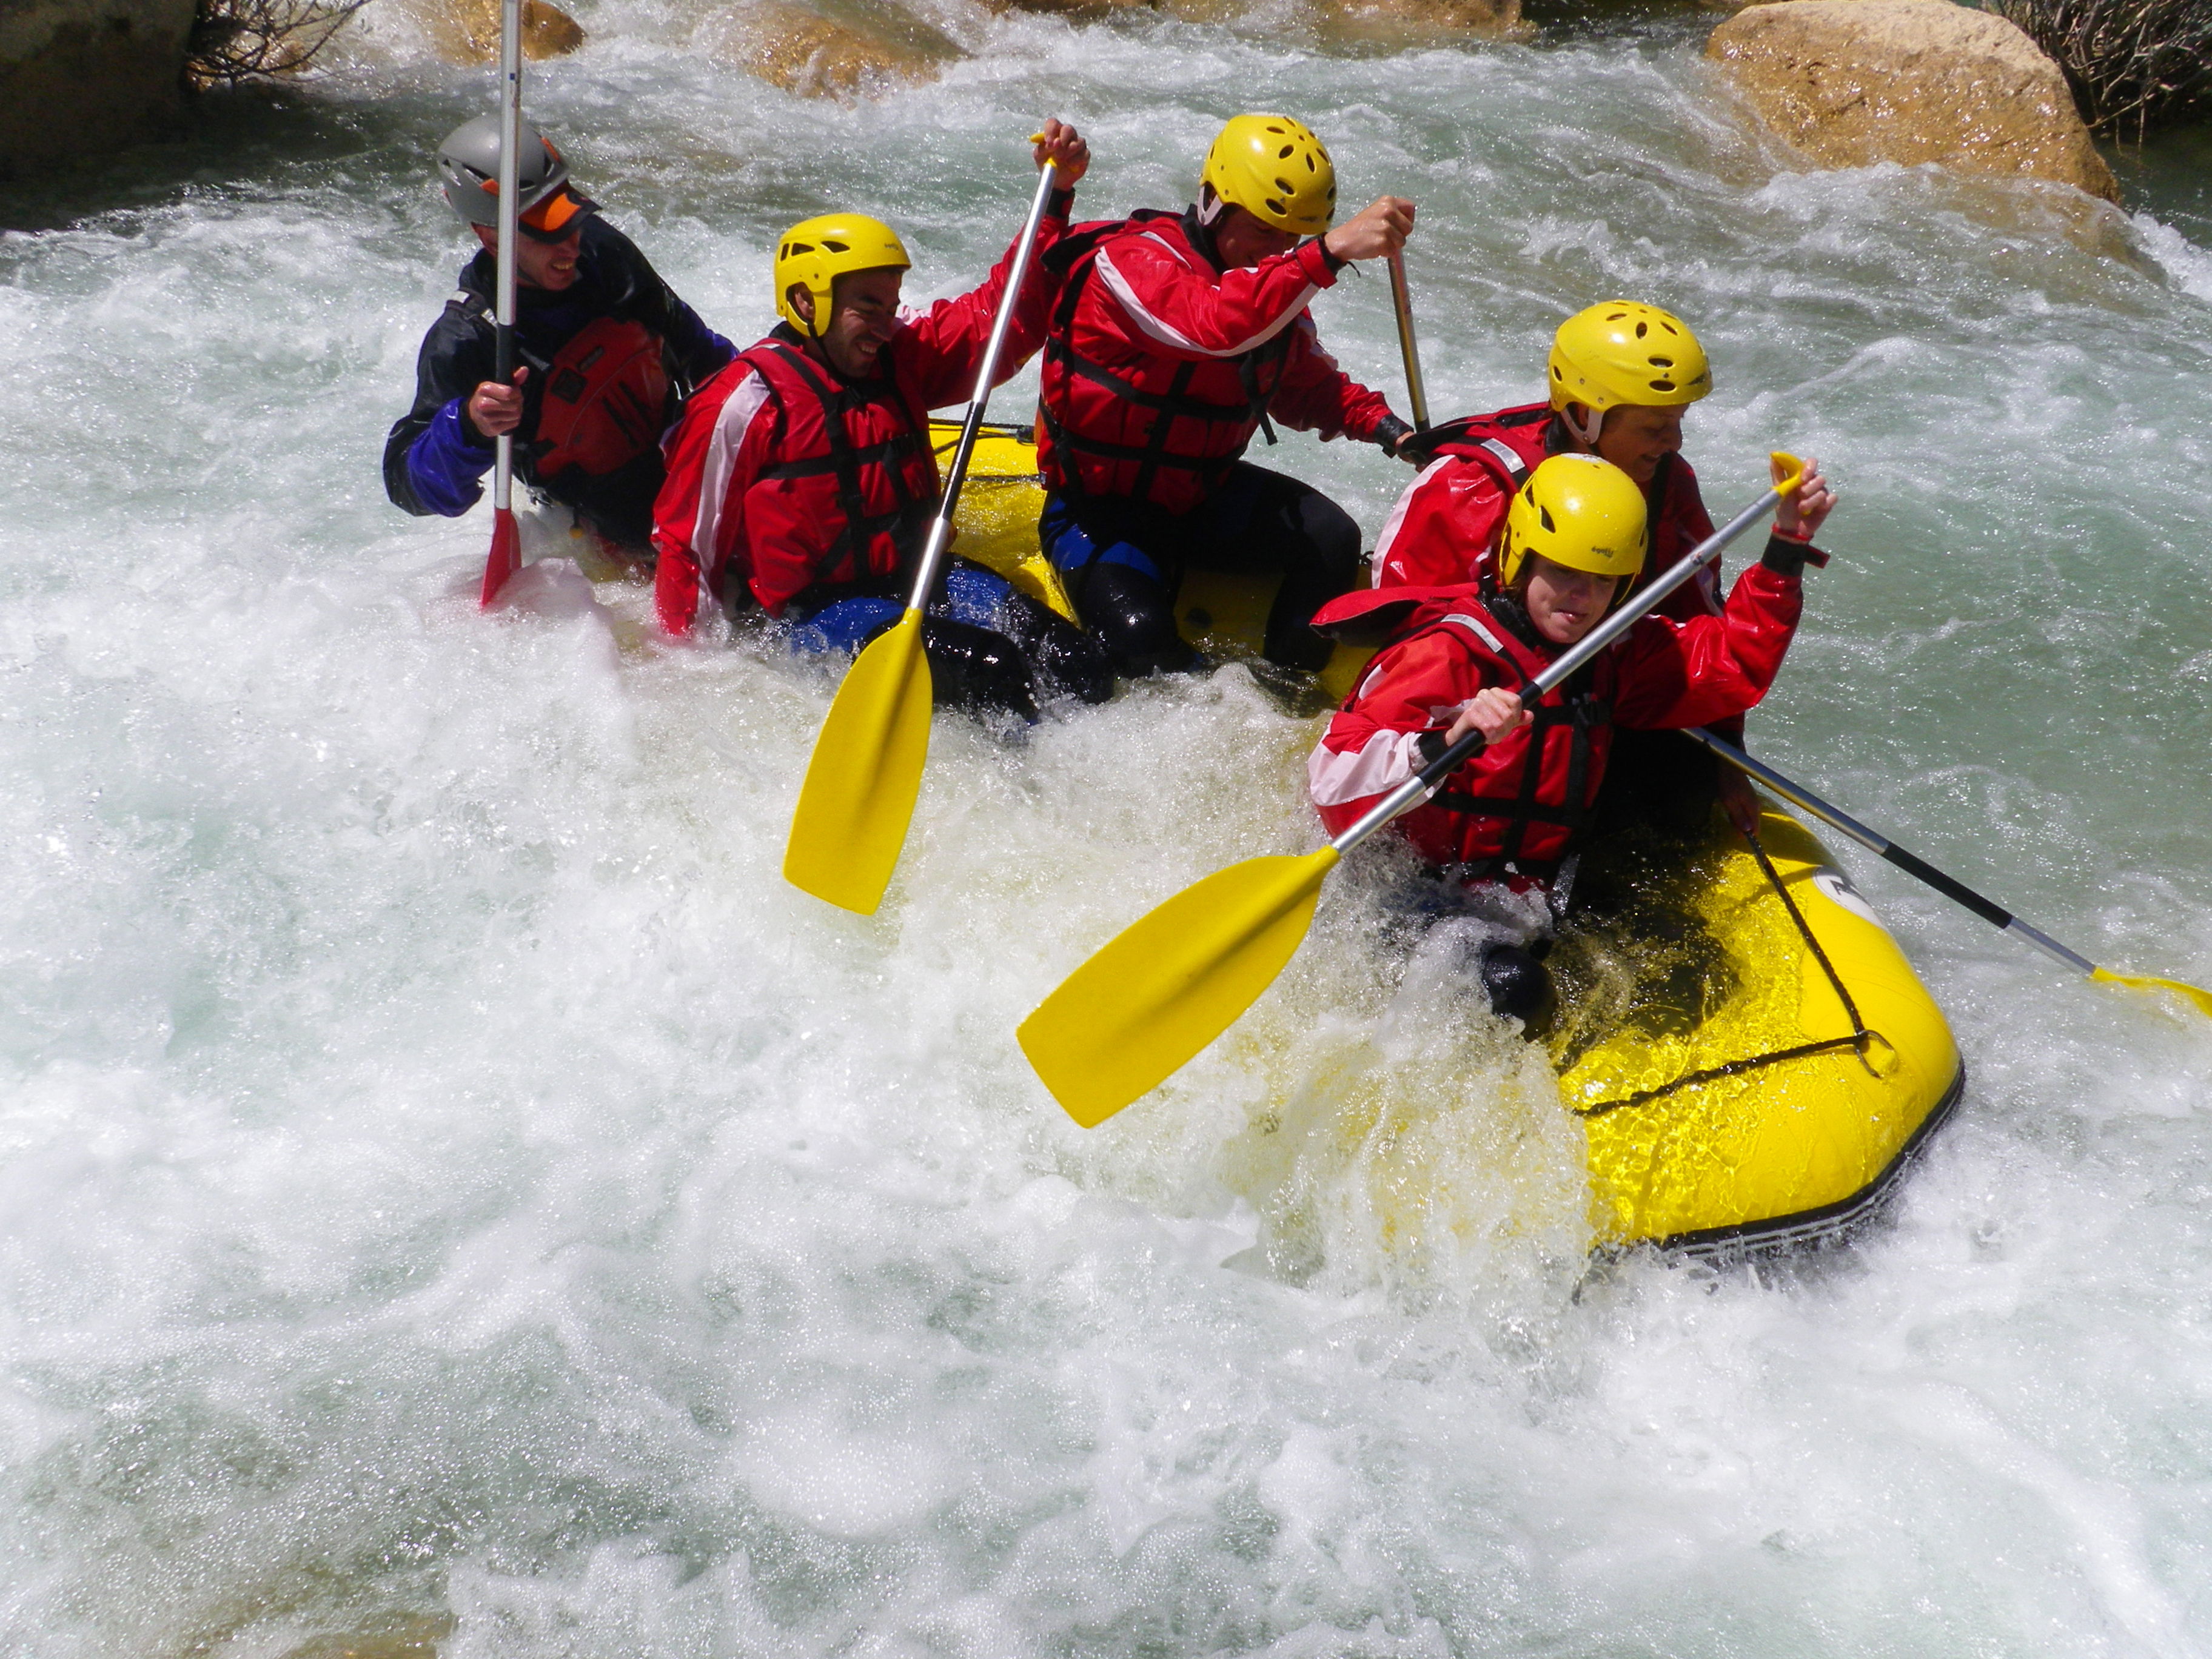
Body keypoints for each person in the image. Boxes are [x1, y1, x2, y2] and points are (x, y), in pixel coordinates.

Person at [1305, 451, 1836, 1025]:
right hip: (1406, 890)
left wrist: (1787, 546)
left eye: (1602, 580)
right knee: (1518, 989)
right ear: (1521, 560)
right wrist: (1442, 739)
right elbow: (1332, 777)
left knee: (1683, 950)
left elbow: (1732, 666)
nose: (1581, 598)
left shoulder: (1608, 652)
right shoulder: (1446, 652)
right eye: (1563, 573)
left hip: (1522, 888)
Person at [651, 124, 1111, 724]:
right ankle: (1038, 796)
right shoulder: (742, 403)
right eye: (867, 305)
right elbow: (689, 547)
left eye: (892, 305)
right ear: (807, 302)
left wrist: (1053, 201)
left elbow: (1002, 321)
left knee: (1074, 658)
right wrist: (687, 684)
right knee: (990, 666)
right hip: (811, 618)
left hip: (919, 575)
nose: (886, 323)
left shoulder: (900, 356)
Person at [1370, 300, 1792, 835]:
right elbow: (1402, 634)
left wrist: (1728, 756)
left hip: (1602, 684)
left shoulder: (1666, 484)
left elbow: (1701, 629)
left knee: (1681, 788)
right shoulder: (1473, 484)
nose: (1675, 443)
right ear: (1583, 417)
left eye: (1678, 423)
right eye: (1655, 426)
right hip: (1479, 704)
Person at [1032, 113, 1423, 679]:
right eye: (1266, 231)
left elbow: (1307, 389)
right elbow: (1210, 326)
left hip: (1199, 498)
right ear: (1212, 202)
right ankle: (1203, 694)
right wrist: (1326, 252)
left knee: (1333, 538)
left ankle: (1289, 691)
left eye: (1293, 237)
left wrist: (1396, 433)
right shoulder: (1132, 263)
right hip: (1097, 512)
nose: (1279, 251)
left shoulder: (1270, 297)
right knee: (1141, 643)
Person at [384, 115, 737, 553]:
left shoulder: (605, 255)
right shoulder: (468, 338)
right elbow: (406, 486)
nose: (570, 243)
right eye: (545, 232)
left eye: (570, 219)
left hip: (683, 461)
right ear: (489, 236)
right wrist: (471, 427)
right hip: (599, 525)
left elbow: (701, 350)